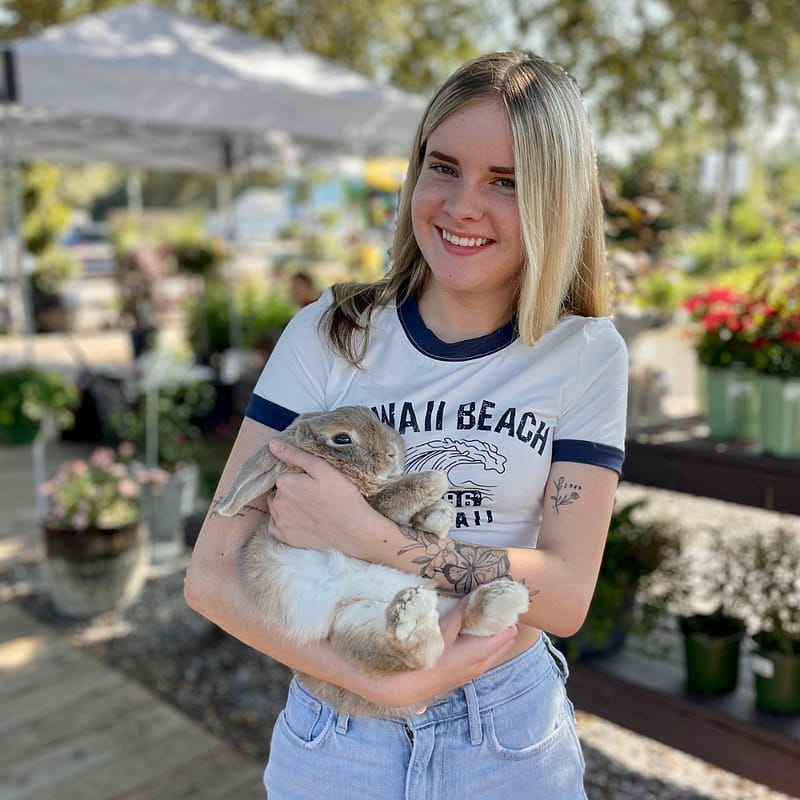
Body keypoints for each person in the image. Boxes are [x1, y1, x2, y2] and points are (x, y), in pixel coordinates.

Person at [185, 50, 627, 799]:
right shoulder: (333, 331)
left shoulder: (584, 354)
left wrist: (367, 537)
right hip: (337, 734)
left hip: (507, 734)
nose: (460, 205)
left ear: (556, 198)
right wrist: (372, 683)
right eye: (443, 166)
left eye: (507, 182)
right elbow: (210, 575)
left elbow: (565, 596)